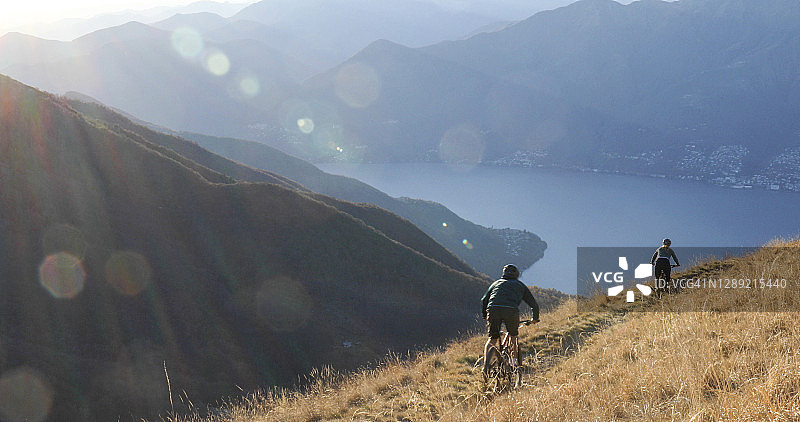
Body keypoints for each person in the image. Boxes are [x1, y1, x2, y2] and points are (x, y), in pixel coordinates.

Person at [480, 264, 539, 372]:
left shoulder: (496, 283)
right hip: (511, 311)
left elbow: (484, 300)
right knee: (513, 336)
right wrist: (535, 318)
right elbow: (533, 304)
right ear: (516, 274)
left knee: (492, 338)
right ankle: (513, 364)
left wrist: (485, 315)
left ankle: (485, 365)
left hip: (493, 309)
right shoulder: (520, 285)